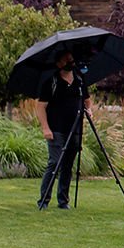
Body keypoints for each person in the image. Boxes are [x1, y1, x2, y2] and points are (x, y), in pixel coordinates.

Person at [35, 50, 82, 210]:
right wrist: (45, 128)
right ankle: (44, 199)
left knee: (68, 166)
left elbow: (87, 101)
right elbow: (40, 107)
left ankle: (63, 201)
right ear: (59, 64)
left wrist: (88, 110)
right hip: (56, 129)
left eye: (71, 58)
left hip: (74, 130)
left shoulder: (80, 80)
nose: (70, 61)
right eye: (66, 60)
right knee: (54, 163)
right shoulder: (51, 82)